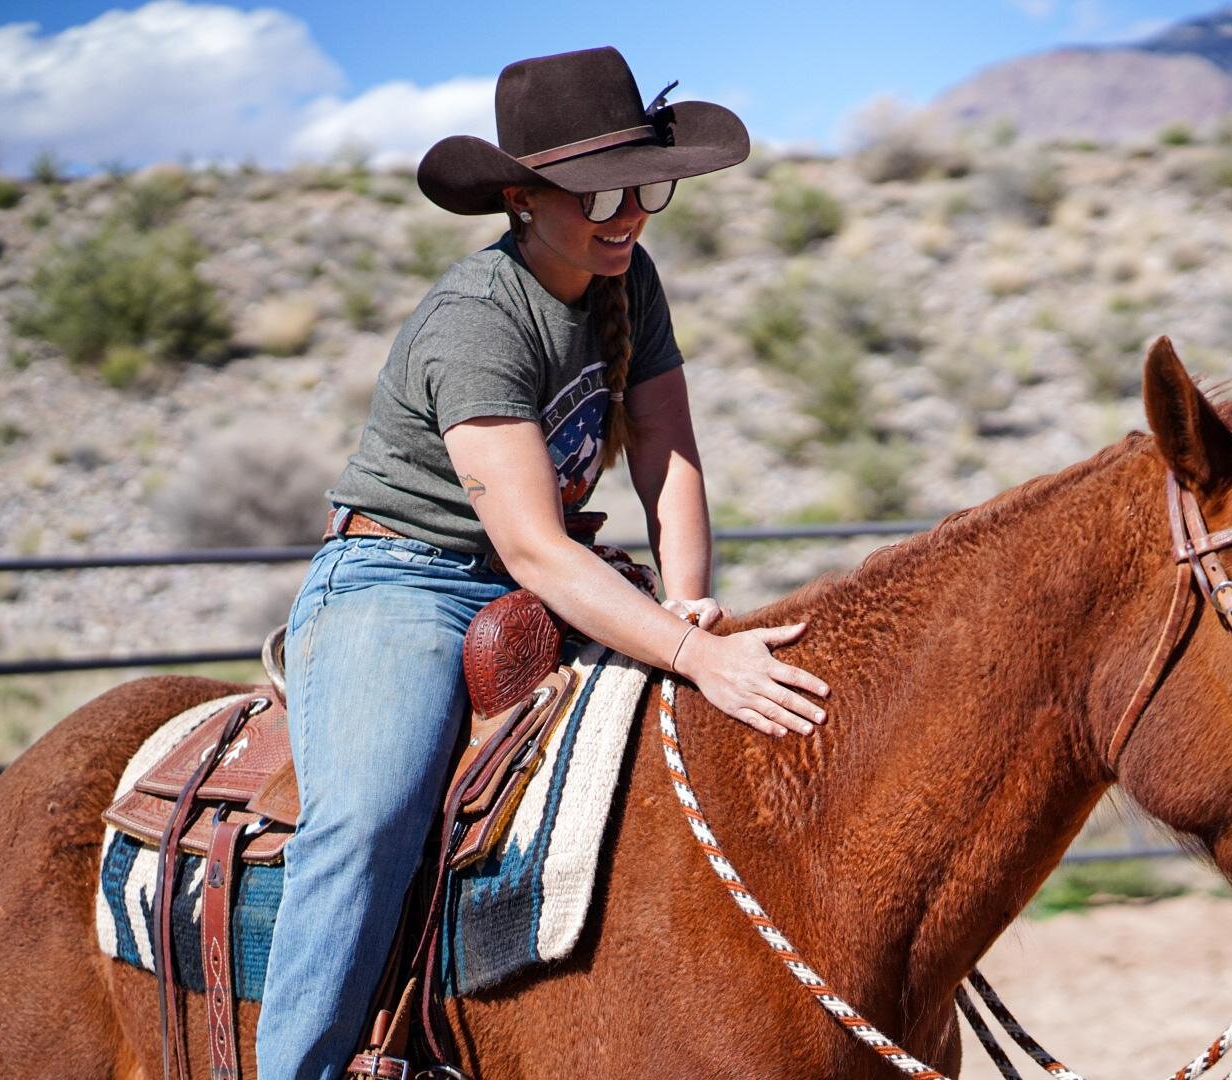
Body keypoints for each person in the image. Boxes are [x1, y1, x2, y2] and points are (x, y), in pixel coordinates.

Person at [257, 46, 829, 1079]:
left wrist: (693, 605)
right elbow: (531, 543)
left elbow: (667, 449)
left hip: (537, 578)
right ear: (521, 198)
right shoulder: (477, 319)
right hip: (402, 583)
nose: (627, 215)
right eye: (596, 193)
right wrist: (697, 658)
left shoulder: (628, 278)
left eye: (642, 188)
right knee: (369, 816)